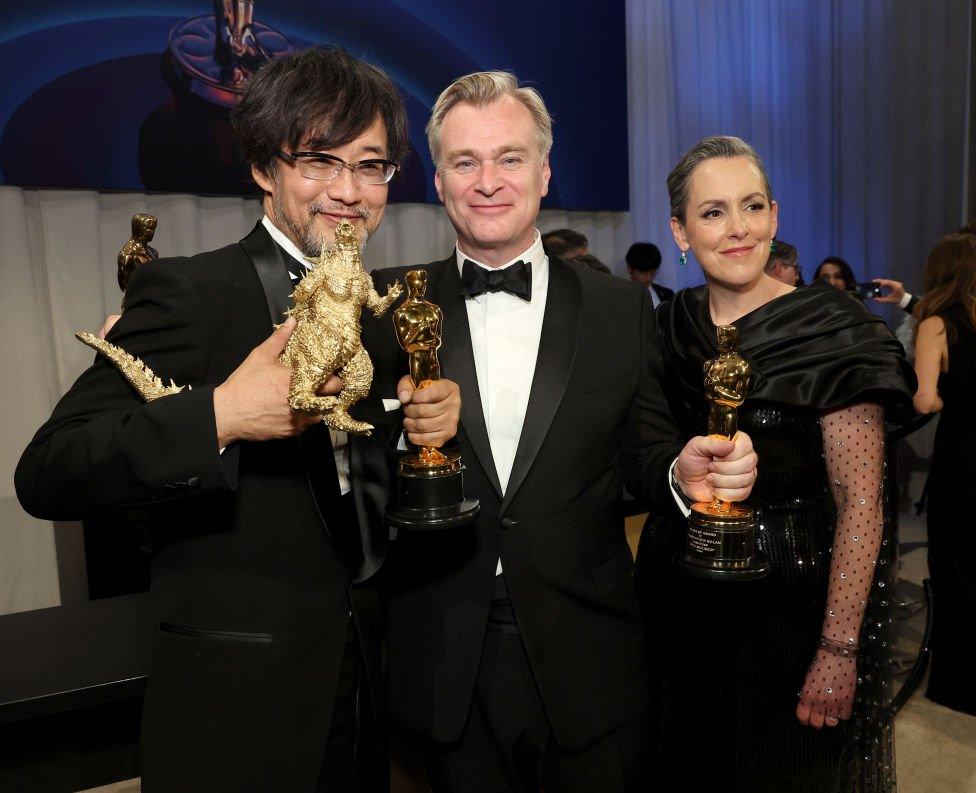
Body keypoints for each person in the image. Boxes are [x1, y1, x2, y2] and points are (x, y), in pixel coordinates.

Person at [15, 47, 461, 792]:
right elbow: (50, 468)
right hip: (236, 702)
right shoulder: (188, 290)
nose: (348, 190)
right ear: (263, 167)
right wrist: (222, 413)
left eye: (371, 165)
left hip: (366, 686)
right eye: (320, 159)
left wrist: (422, 423)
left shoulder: (382, 312)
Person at [362, 73, 758, 793]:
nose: (488, 181)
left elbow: (641, 454)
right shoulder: (383, 307)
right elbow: (346, 471)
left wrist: (681, 473)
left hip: (590, 651)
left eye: (510, 158)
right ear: (438, 181)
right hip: (444, 651)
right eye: (465, 161)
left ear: (544, 173)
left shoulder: (621, 309)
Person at [634, 135, 915, 793]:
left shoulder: (831, 327)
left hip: (788, 605)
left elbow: (862, 499)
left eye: (752, 206)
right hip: (675, 593)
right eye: (713, 212)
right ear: (679, 229)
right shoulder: (666, 326)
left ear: (775, 215)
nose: (738, 228)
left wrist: (839, 647)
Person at [912, 233, 976, 716]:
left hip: (964, 456)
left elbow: (925, 399)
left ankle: (959, 685)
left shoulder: (937, 324)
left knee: (956, 564)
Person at [625, 241, 674, 307]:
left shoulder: (667, 294)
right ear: (630, 269)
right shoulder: (620, 294)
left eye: (652, 272)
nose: (648, 277)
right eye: (643, 273)